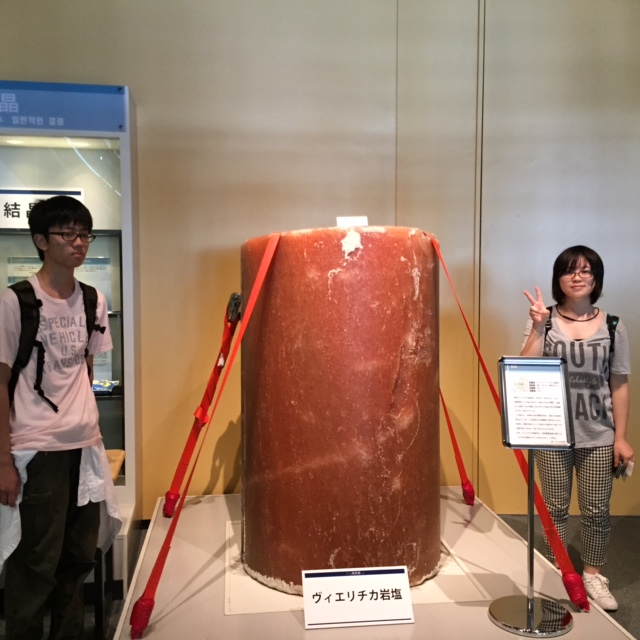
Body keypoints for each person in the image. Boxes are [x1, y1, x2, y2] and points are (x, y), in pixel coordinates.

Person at [0, 195, 120, 639]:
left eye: (84, 234)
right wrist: (4, 461)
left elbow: (84, 367)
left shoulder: (92, 299)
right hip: (38, 449)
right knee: (35, 563)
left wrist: (91, 429)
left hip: (84, 446)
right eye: (67, 234)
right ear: (40, 241)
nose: (79, 243)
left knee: (78, 559)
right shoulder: (15, 302)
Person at [521, 245, 633, 612]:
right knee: (554, 508)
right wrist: (538, 326)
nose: (578, 276)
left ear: (596, 279)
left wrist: (620, 438)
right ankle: (561, 570)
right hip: (552, 431)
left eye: (586, 270)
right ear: (559, 279)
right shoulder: (545, 319)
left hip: (598, 433)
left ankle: (593, 574)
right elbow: (525, 368)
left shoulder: (613, 326)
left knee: (596, 509)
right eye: (569, 270)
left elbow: (619, 384)